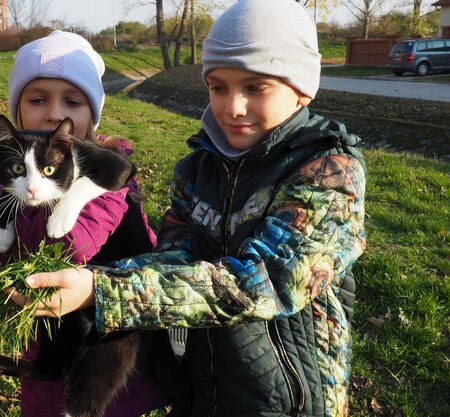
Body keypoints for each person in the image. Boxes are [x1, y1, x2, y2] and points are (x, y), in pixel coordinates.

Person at [20, 2, 368, 416]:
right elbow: (174, 256)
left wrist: (102, 292)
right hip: (205, 386)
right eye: (218, 86)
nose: (232, 107)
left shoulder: (329, 173)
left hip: (290, 398)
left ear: (302, 89)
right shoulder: (197, 168)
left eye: (255, 87)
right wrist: (90, 278)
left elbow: (265, 283)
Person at [0, 30, 167, 417]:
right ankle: (37, 369)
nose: (53, 113)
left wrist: (60, 200)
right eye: (38, 98)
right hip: (45, 327)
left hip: (116, 316)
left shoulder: (106, 167)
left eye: (72, 101)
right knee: (49, 378)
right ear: (17, 112)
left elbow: (73, 246)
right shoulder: (1, 172)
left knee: (97, 377)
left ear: (92, 115)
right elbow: (3, 250)